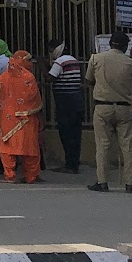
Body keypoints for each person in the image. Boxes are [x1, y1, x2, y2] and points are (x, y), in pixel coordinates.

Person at [86, 29, 132, 193]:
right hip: (125, 108)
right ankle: (130, 184)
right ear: (125, 47)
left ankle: (102, 182)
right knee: (128, 146)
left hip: (102, 107)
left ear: (110, 44)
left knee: (102, 145)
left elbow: (88, 80)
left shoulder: (96, 58)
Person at [0, 48, 43, 183]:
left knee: (7, 148)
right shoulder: (29, 77)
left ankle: (9, 175)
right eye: (28, 60)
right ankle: (31, 176)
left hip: (7, 118)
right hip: (27, 118)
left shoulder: (3, 77)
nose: (30, 63)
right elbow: (33, 97)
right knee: (30, 148)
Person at [45, 37, 85, 174]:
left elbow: (50, 78)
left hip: (65, 103)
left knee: (66, 134)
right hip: (77, 101)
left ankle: (69, 165)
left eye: (51, 50)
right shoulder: (73, 59)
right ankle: (74, 164)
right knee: (75, 135)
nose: (50, 53)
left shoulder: (60, 61)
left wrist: (42, 66)